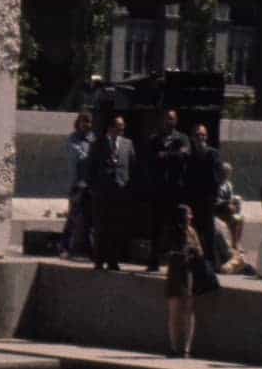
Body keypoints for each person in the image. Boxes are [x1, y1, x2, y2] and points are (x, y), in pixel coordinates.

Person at [143, 108, 189, 272]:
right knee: (156, 227)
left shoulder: (182, 138)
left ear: (176, 121)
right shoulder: (154, 139)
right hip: (159, 191)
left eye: (172, 119)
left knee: (177, 228)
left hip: (176, 191)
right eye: (166, 118)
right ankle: (153, 261)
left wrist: (166, 155)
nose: (169, 121)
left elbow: (184, 156)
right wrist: (173, 155)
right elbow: (151, 159)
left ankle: (177, 265)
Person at [88, 115, 136, 270]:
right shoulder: (98, 144)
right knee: (101, 227)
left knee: (117, 227)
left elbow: (132, 166)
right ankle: (99, 260)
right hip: (103, 192)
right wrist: (94, 188)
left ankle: (113, 260)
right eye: (118, 126)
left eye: (123, 126)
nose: (121, 128)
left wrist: (128, 186)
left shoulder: (128, 144)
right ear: (110, 128)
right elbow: (91, 168)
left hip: (121, 192)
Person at [162, 204, 206, 358]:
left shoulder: (192, 231)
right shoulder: (172, 231)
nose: (191, 217)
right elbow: (166, 250)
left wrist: (194, 252)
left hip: (188, 271)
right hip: (175, 272)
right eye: (188, 214)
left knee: (189, 310)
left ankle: (187, 349)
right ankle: (173, 347)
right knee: (174, 310)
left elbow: (200, 251)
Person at [183, 123, 222, 269]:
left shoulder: (213, 154)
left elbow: (217, 177)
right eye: (198, 135)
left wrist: (214, 196)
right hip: (193, 199)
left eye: (203, 135)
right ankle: (195, 262)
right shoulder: (189, 156)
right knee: (194, 231)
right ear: (193, 138)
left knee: (209, 232)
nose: (201, 138)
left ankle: (211, 263)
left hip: (208, 199)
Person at [62, 111, 94, 259]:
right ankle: (65, 248)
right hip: (77, 185)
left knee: (91, 218)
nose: (86, 124)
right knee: (73, 218)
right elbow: (78, 159)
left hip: (91, 184)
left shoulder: (93, 139)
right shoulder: (72, 139)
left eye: (88, 121)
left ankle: (89, 250)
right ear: (78, 123)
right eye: (84, 121)